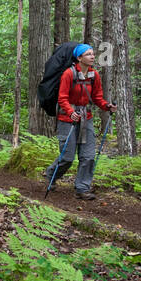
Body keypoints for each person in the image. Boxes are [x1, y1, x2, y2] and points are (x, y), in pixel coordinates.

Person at [44, 44, 116, 200]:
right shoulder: (68, 74)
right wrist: (71, 112)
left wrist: (106, 106)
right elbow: (62, 98)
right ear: (79, 58)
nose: (92, 56)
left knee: (88, 156)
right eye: (88, 54)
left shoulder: (94, 75)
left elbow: (97, 97)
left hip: (86, 118)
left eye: (93, 54)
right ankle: (51, 175)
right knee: (67, 157)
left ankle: (82, 188)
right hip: (66, 119)